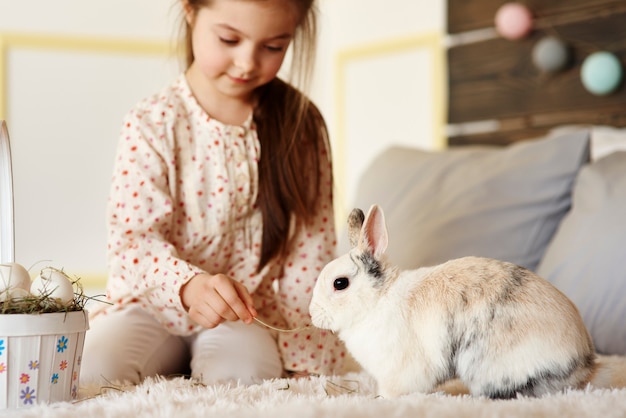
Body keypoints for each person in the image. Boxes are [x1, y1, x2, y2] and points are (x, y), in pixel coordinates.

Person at [81, 0, 346, 386]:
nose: (246, 63)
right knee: (92, 372)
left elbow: (309, 254)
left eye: (273, 47)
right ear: (190, 11)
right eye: (229, 39)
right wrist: (187, 286)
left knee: (243, 377)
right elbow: (133, 242)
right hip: (150, 306)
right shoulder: (152, 123)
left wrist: (306, 356)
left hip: (243, 310)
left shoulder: (301, 126)